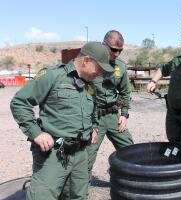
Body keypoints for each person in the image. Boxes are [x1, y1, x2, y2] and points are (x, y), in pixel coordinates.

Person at [10, 42, 113, 200]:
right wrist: (36, 133)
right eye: (99, 68)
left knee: (77, 196)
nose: (100, 74)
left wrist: (93, 127)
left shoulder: (90, 85)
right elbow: (19, 102)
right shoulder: (53, 76)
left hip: (80, 154)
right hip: (54, 155)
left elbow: (92, 109)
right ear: (86, 60)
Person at [86, 30, 133, 183]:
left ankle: (132, 184)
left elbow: (125, 91)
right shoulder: (90, 64)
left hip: (113, 115)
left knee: (130, 151)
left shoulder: (120, 66)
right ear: (103, 45)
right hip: (94, 118)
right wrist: (87, 122)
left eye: (120, 50)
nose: (117, 54)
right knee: (86, 158)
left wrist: (124, 114)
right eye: (113, 49)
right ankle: (80, 193)